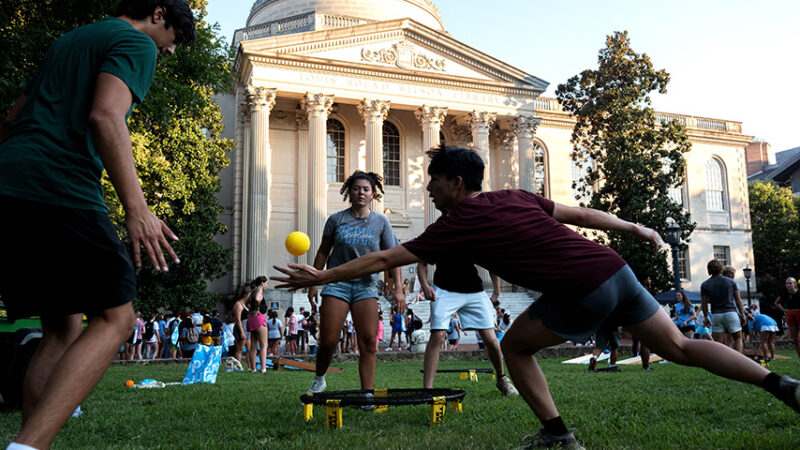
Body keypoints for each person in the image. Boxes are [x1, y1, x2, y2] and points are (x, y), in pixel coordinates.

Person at [272, 145, 800, 449]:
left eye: (433, 182)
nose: (428, 190)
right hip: (613, 269)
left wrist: (320, 278)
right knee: (679, 347)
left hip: (579, 287)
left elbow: (385, 260)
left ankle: (557, 435)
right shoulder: (513, 195)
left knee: (516, 348)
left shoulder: (454, 226)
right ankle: (781, 383)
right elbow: (582, 216)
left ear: (456, 183)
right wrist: (635, 227)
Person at [304, 170, 405, 394]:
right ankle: (319, 378)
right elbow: (322, 252)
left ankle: (367, 393)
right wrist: (314, 281)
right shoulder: (336, 220)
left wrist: (398, 289)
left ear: (373, 194)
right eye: (356, 188)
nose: (361, 192)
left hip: (366, 287)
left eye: (366, 189)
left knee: (369, 342)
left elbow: (393, 257)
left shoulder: (381, 222)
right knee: (328, 340)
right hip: (337, 284)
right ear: (349, 192)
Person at [416, 260, 517, 395]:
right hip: (443, 290)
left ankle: (502, 378)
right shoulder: (438, 238)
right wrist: (425, 285)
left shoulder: (474, 238)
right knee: (437, 335)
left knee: (490, 338)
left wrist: (496, 291)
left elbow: (492, 261)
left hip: (474, 290)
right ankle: (427, 390)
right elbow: (422, 262)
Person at [701, 259, 746, 353]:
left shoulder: (705, 285)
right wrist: (742, 315)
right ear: (721, 269)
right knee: (738, 338)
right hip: (731, 313)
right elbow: (738, 299)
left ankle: (722, 364)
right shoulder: (731, 282)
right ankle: (738, 361)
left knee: (719, 343)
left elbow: (704, 303)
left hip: (716, 314)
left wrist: (705, 317)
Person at [774, 277, 800, 361]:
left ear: (795, 284)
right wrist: (784, 310)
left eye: (790, 283)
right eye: (787, 283)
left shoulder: (799, 292)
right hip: (790, 314)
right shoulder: (784, 294)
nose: (788, 285)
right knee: (795, 339)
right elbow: (776, 303)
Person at [246, 277, 269, 373]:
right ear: (262, 283)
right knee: (264, 345)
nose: (267, 285)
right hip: (259, 319)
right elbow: (257, 298)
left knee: (253, 346)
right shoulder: (259, 291)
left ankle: (253, 368)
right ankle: (263, 369)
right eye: (266, 283)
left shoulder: (252, 291)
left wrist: (253, 309)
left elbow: (246, 303)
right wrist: (258, 307)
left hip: (251, 318)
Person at [232, 285, 252, 364]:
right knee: (239, 349)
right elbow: (238, 319)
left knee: (249, 349)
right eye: (249, 295)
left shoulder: (246, 305)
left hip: (247, 329)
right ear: (245, 295)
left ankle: (250, 366)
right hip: (241, 328)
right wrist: (241, 332)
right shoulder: (238, 305)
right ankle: (237, 366)